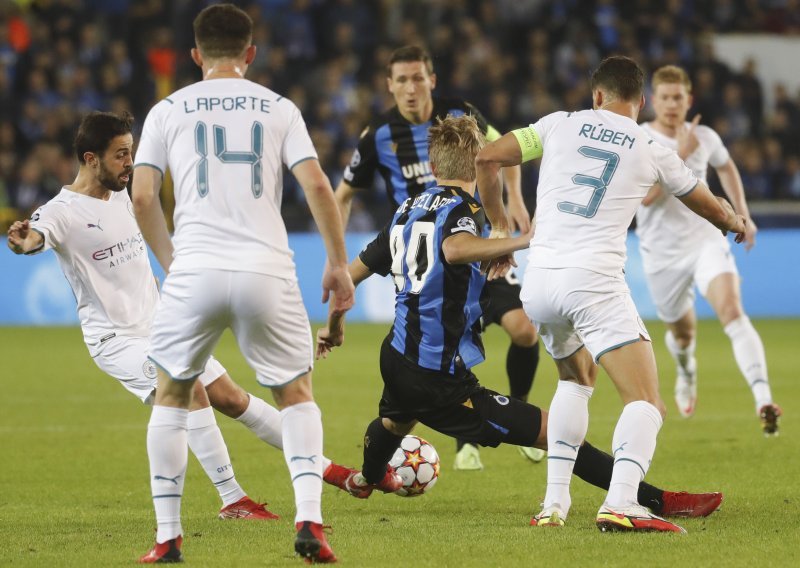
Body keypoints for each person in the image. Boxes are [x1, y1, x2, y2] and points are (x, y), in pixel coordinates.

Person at [318, 114, 723, 525]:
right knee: (557, 433)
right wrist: (522, 239)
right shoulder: (465, 208)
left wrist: (332, 329)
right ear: (476, 160)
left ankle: (364, 480)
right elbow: (456, 249)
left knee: (395, 418)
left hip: (397, 356)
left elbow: (345, 280)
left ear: (434, 167)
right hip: (439, 376)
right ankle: (656, 500)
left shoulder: (406, 210)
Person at [6, 110, 363, 529]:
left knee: (232, 397)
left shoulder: (126, 193)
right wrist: (23, 240)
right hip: (116, 340)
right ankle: (233, 498)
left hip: (162, 324)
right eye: (120, 155)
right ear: (90, 159)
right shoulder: (63, 211)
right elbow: (35, 235)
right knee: (188, 387)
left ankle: (329, 471)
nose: (129, 163)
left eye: (131, 152)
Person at [475, 56, 747, 533]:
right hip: (592, 281)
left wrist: (499, 225)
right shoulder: (649, 144)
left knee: (576, 380)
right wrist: (734, 220)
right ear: (640, 102)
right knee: (646, 401)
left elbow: (486, 157)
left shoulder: (557, 124)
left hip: (539, 281)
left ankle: (553, 504)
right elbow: (703, 201)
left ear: (596, 95)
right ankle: (622, 501)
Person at [131, 4, 353, 564]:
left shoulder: (166, 109)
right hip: (266, 268)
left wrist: (171, 260)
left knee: (172, 396)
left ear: (195, 55)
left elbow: (141, 196)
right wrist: (336, 263)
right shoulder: (279, 108)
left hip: (197, 268)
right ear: (250, 53)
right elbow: (319, 188)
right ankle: (310, 521)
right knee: (297, 396)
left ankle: (168, 537)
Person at [335, 45, 544, 470]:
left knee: (524, 331)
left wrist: (510, 210)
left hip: (478, 249)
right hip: (425, 255)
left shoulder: (461, 115)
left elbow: (507, 152)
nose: (411, 88)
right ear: (389, 86)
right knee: (435, 350)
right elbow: (342, 196)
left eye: (418, 78)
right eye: (401, 80)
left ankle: (515, 413)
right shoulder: (378, 135)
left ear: (431, 79)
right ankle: (471, 437)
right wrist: (337, 259)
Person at [636, 65, 781, 434]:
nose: (671, 104)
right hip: (662, 253)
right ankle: (686, 371)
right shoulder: (639, 139)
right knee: (683, 336)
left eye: (678, 98)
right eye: (665, 98)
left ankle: (763, 398)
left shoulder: (704, 135)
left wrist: (744, 216)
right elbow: (647, 199)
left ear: (689, 100)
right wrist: (680, 156)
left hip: (705, 241)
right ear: (654, 101)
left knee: (732, 310)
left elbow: (728, 168)